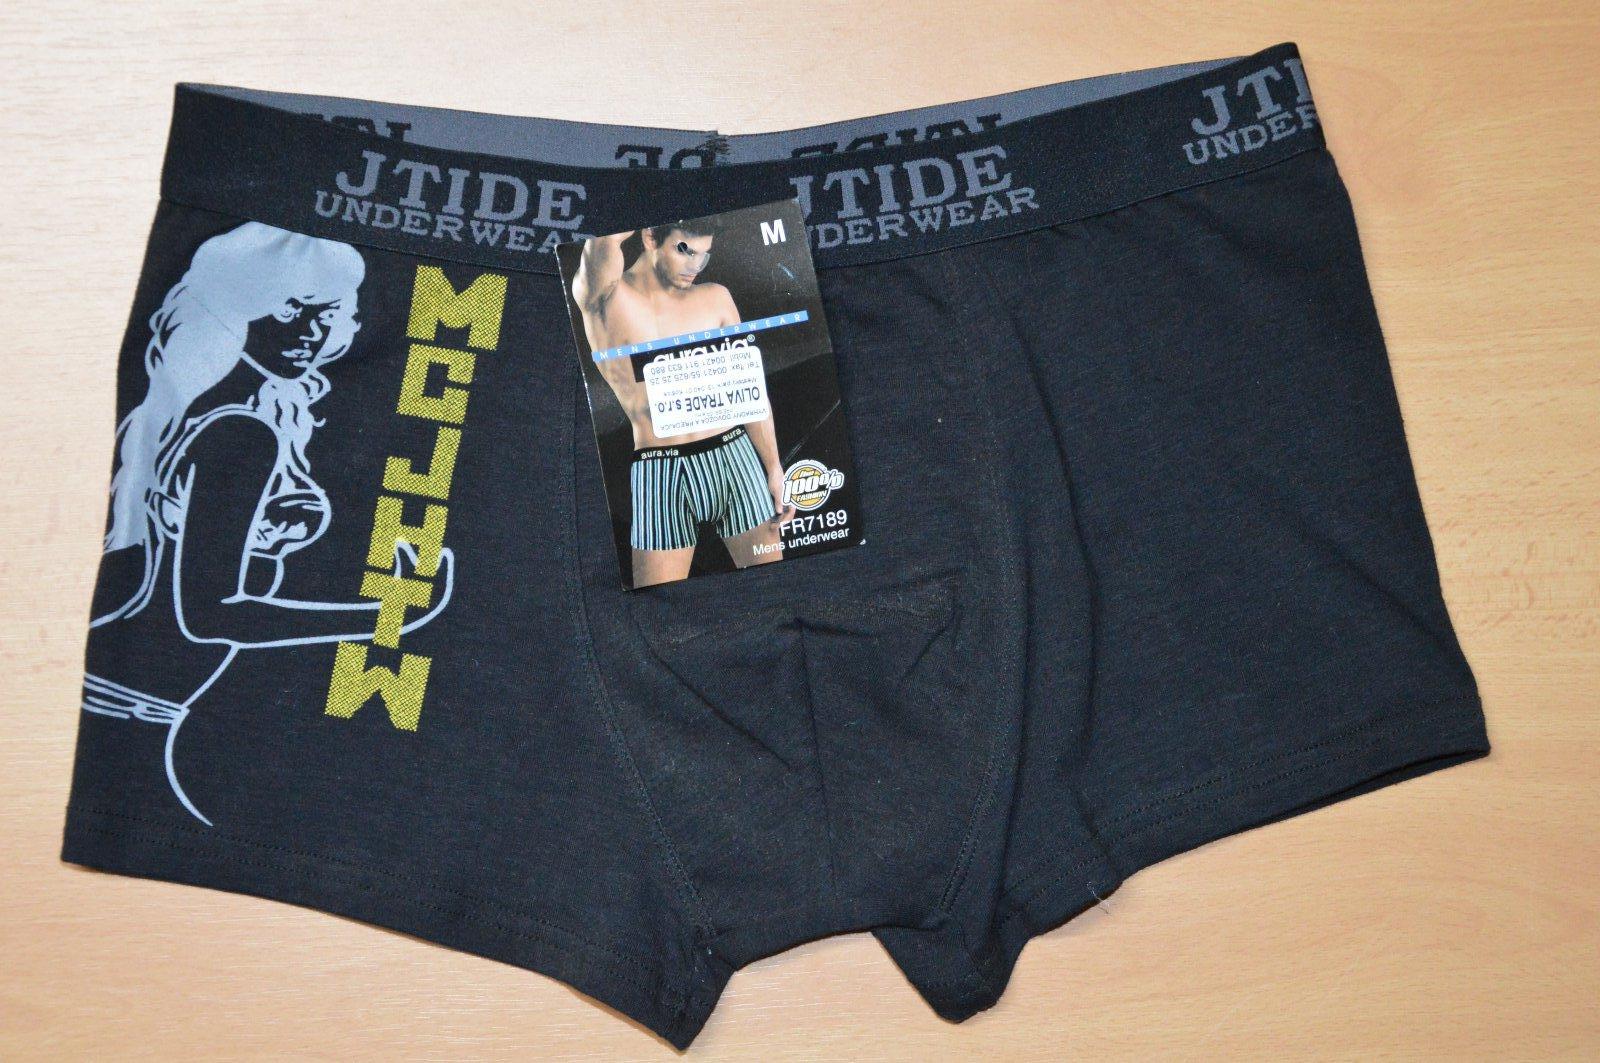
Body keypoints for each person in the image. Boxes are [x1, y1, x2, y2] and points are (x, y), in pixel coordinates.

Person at [83, 222, 452, 824]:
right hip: (132, 705)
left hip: (139, 703)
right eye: (289, 310)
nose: (310, 333)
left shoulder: (229, 414)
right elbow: (209, 616)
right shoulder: (240, 431)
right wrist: (390, 616)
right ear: (241, 303)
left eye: (324, 315)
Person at [571, 219, 794, 587]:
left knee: (775, 591)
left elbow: (749, 391)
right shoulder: (606, 296)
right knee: (657, 608)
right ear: (649, 237)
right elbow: (602, 242)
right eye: (684, 250)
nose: (695, 265)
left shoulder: (715, 298)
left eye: (704, 256)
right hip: (661, 470)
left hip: (735, 458)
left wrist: (773, 468)